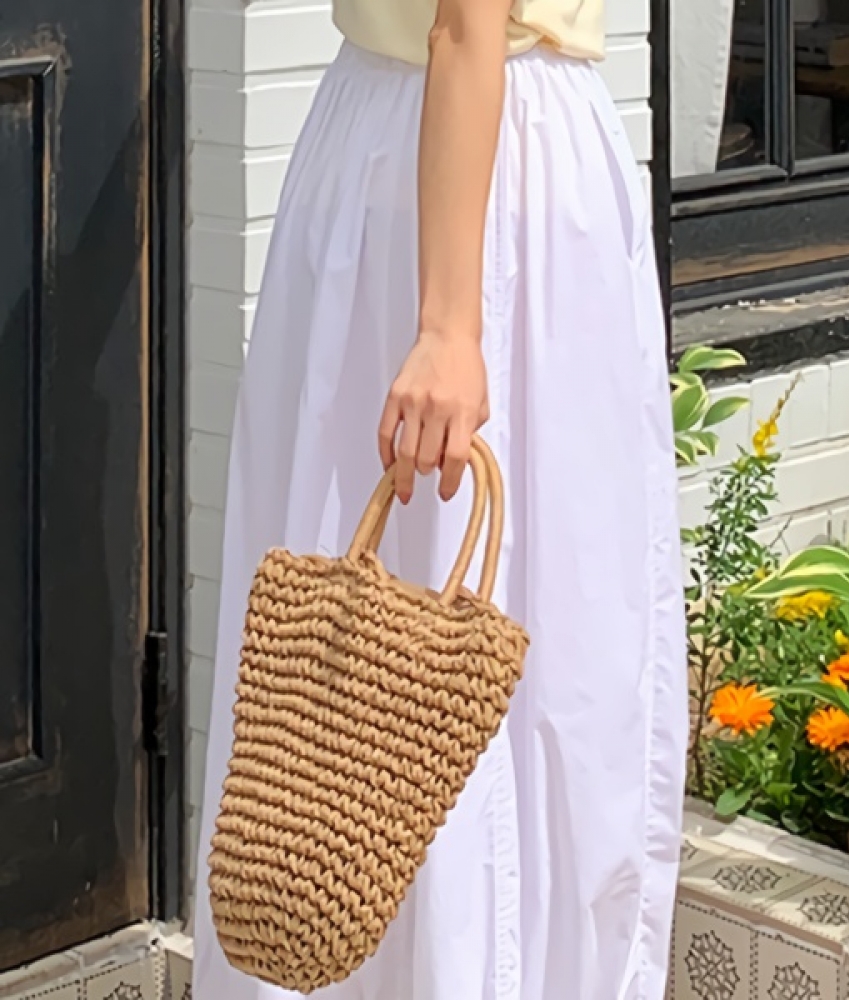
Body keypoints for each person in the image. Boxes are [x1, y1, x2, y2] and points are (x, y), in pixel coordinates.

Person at [192, 0, 689, 997]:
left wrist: (448, 325)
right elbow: (461, 28)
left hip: (430, 157)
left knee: (396, 636)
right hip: (471, 170)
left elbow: (465, 27)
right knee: (529, 637)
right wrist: (451, 325)